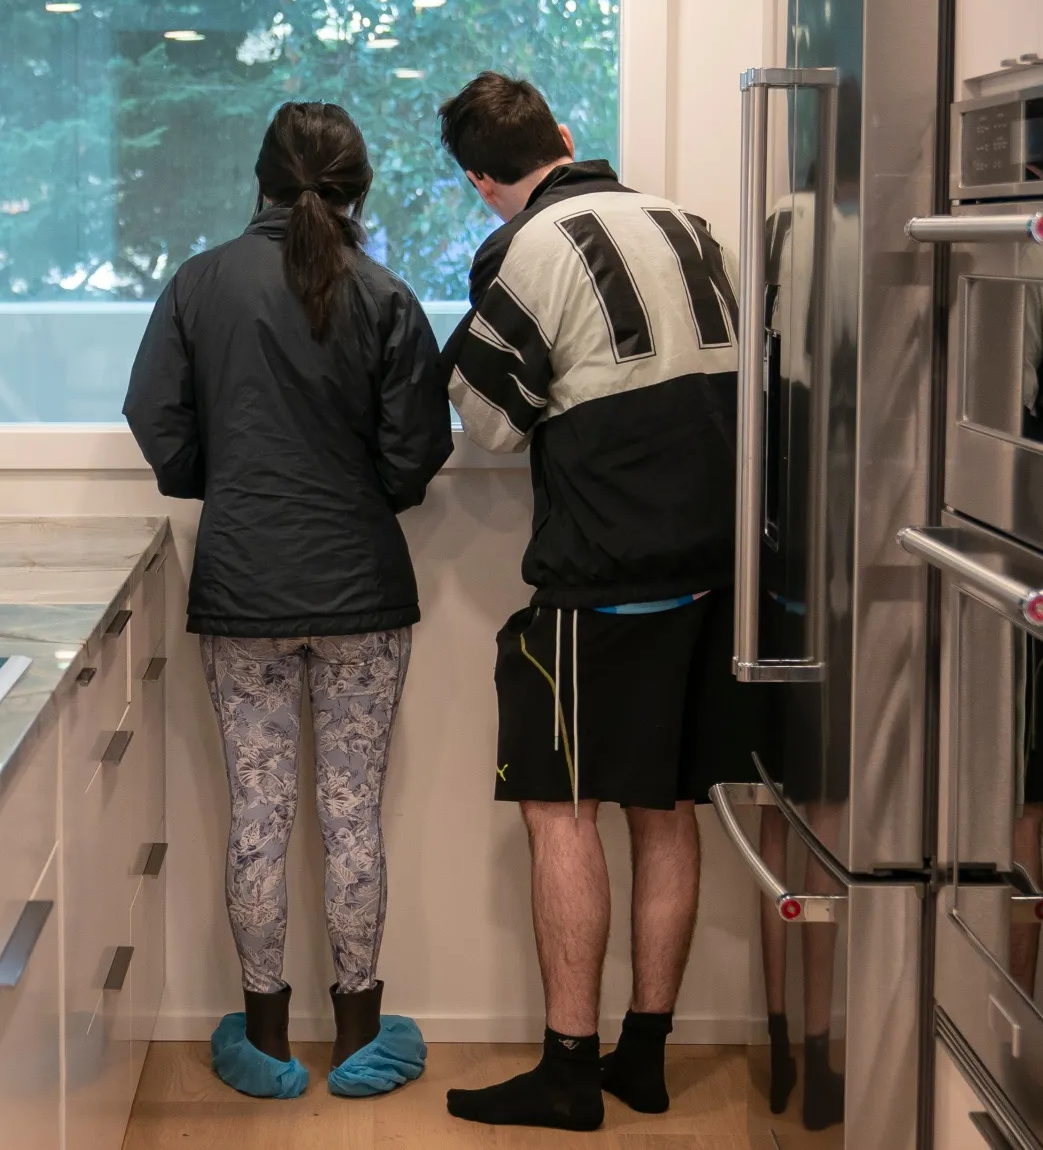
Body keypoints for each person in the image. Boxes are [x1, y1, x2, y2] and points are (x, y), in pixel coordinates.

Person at [434, 72, 770, 1131]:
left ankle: (570, 1071)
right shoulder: (688, 222)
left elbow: (485, 422)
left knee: (558, 804)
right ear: (568, 137)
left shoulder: (528, 247)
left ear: (485, 181)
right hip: (718, 571)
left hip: (606, 571)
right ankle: (644, 1055)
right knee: (664, 807)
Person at [124, 101, 452, 1100]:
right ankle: (360, 1033)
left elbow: (155, 417)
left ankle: (261, 1035)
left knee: (256, 815)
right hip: (361, 588)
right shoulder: (386, 293)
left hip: (243, 587)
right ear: (356, 189)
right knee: (352, 816)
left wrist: (217, 483)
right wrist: (368, 495)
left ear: (260, 182)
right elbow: (415, 453)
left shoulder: (198, 284)